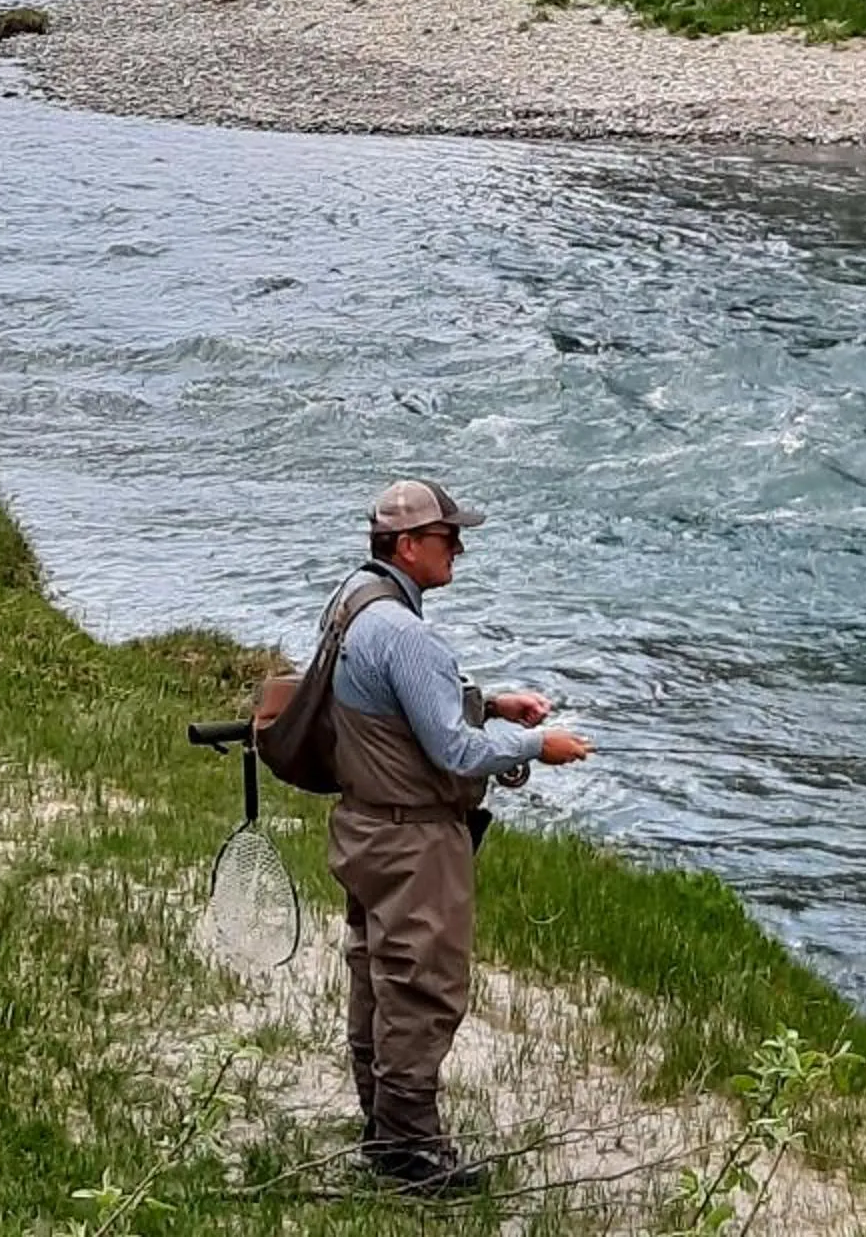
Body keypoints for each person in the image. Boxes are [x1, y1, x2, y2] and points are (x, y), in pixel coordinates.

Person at [323, 479, 592, 1194]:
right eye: (449, 538)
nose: (461, 549)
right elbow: (457, 753)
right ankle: (411, 1157)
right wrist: (537, 744)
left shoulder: (353, 603)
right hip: (414, 844)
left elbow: (397, 705)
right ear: (408, 546)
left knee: (375, 976)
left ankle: (382, 1132)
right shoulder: (409, 635)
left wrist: (491, 702)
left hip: (363, 829)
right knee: (422, 989)